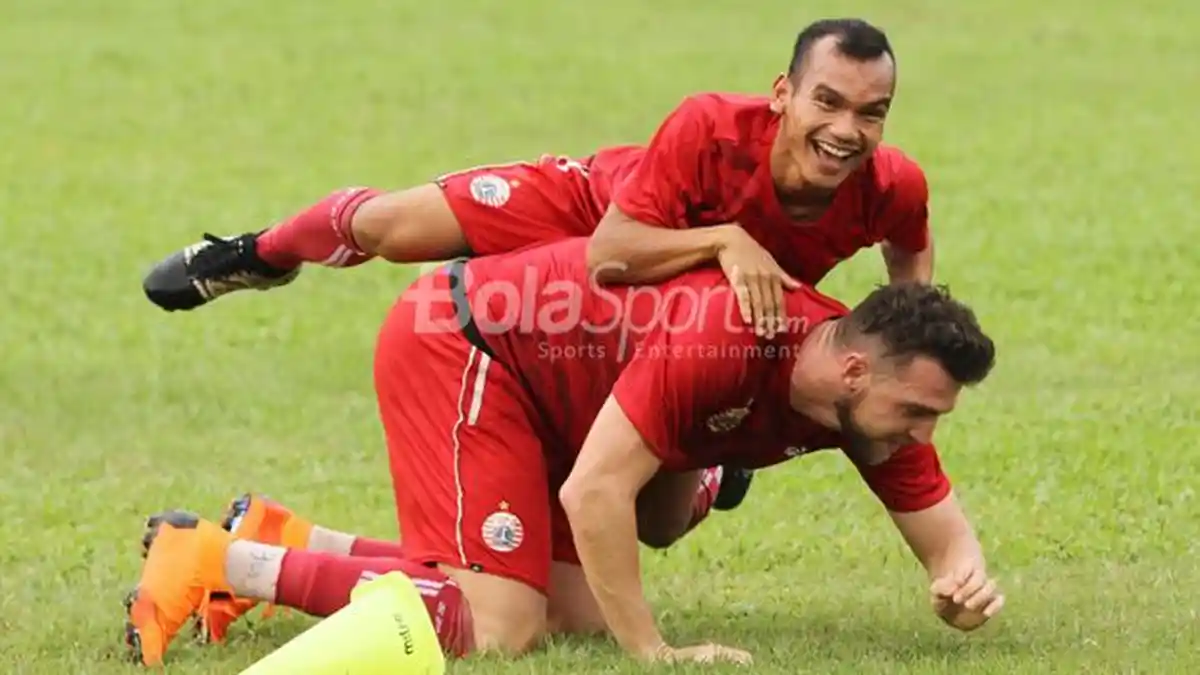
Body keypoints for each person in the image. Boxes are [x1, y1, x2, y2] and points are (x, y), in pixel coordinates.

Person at [125, 237, 1003, 668]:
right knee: (503, 625)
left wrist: (964, 586)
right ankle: (217, 558)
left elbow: (945, 536)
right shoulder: (732, 338)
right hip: (472, 347)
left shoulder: (867, 404)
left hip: (563, 407)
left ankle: (289, 537)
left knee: (573, 613)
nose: (921, 432)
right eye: (918, 410)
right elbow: (595, 493)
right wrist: (654, 650)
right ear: (853, 369)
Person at [142, 17, 934, 339]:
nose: (845, 131)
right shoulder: (709, 127)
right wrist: (729, 239)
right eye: (827, 102)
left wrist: (906, 325)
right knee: (388, 228)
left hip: (672, 309)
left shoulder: (893, 183)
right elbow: (613, 250)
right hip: (595, 208)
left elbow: (910, 256)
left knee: (677, 431)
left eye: (870, 113)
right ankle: (263, 252)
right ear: (782, 93)